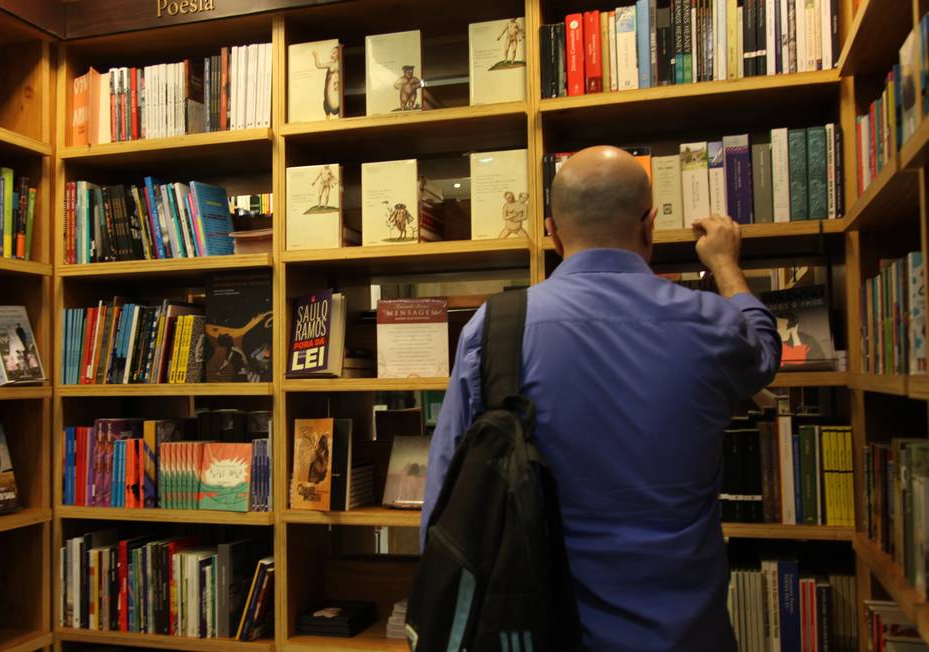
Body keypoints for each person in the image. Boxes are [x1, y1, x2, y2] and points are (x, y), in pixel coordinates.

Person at [421, 146, 780, 651]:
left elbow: (444, 499)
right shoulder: (712, 323)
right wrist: (724, 264)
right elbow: (764, 350)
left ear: (550, 231)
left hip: (537, 632)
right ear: (650, 225)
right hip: (686, 635)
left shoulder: (495, 328)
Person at [312, 45, 342, 118]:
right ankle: (327, 118)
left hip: (338, 87)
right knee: (328, 100)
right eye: (332, 52)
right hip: (330, 86)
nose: (332, 54)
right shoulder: (330, 63)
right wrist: (316, 56)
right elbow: (319, 65)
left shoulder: (341, 63)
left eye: (334, 52)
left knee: (338, 102)